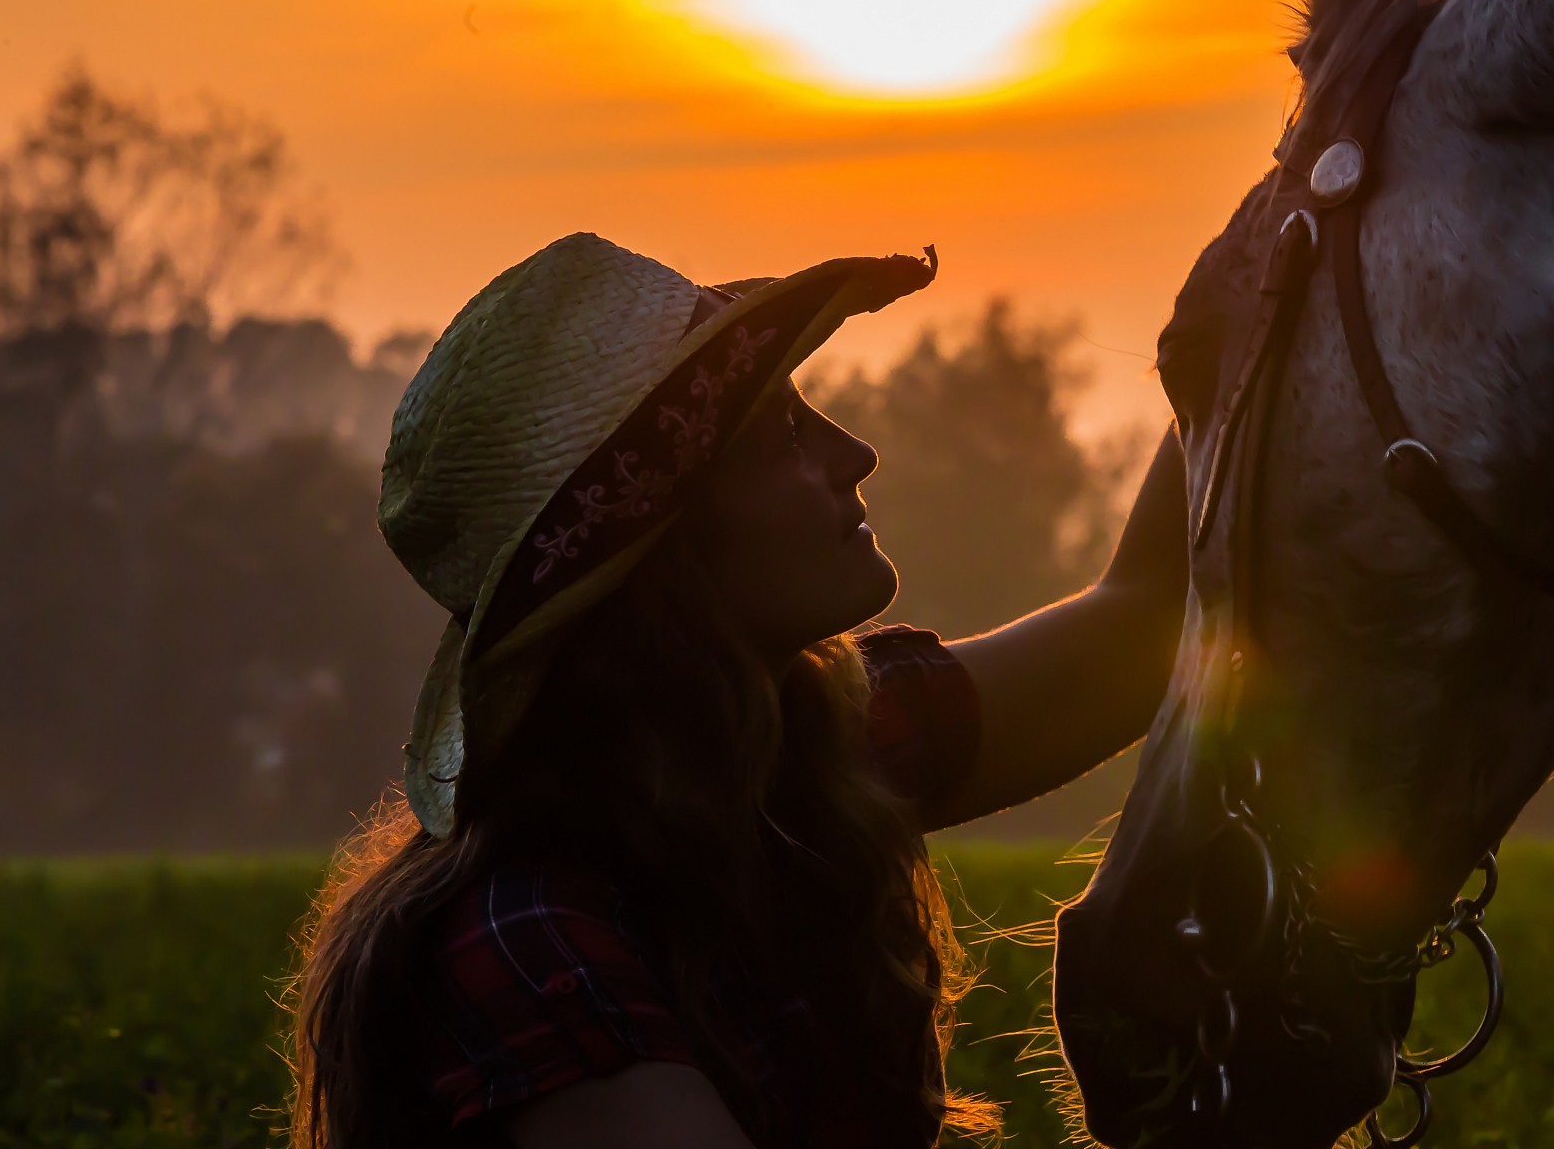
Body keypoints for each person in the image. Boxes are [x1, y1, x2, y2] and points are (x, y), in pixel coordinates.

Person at [286, 234, 1188, 1149]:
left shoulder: (803, 753)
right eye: (786, 436)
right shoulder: (529, 942)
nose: (856, 453)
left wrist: (1267, 285)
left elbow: (1143, 626)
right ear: (665, 551)